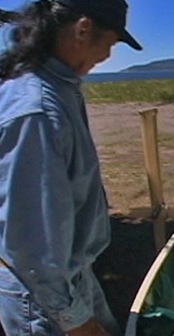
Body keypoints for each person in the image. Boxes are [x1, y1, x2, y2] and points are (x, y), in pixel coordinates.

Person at [0, 0, 142, 335]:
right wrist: (76, 323)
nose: (107, 57)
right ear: (83, 29)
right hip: (42, 298)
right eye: (108, 44)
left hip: (72, 277)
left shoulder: (58, 90)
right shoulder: (36, 111)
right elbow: (33, 247)